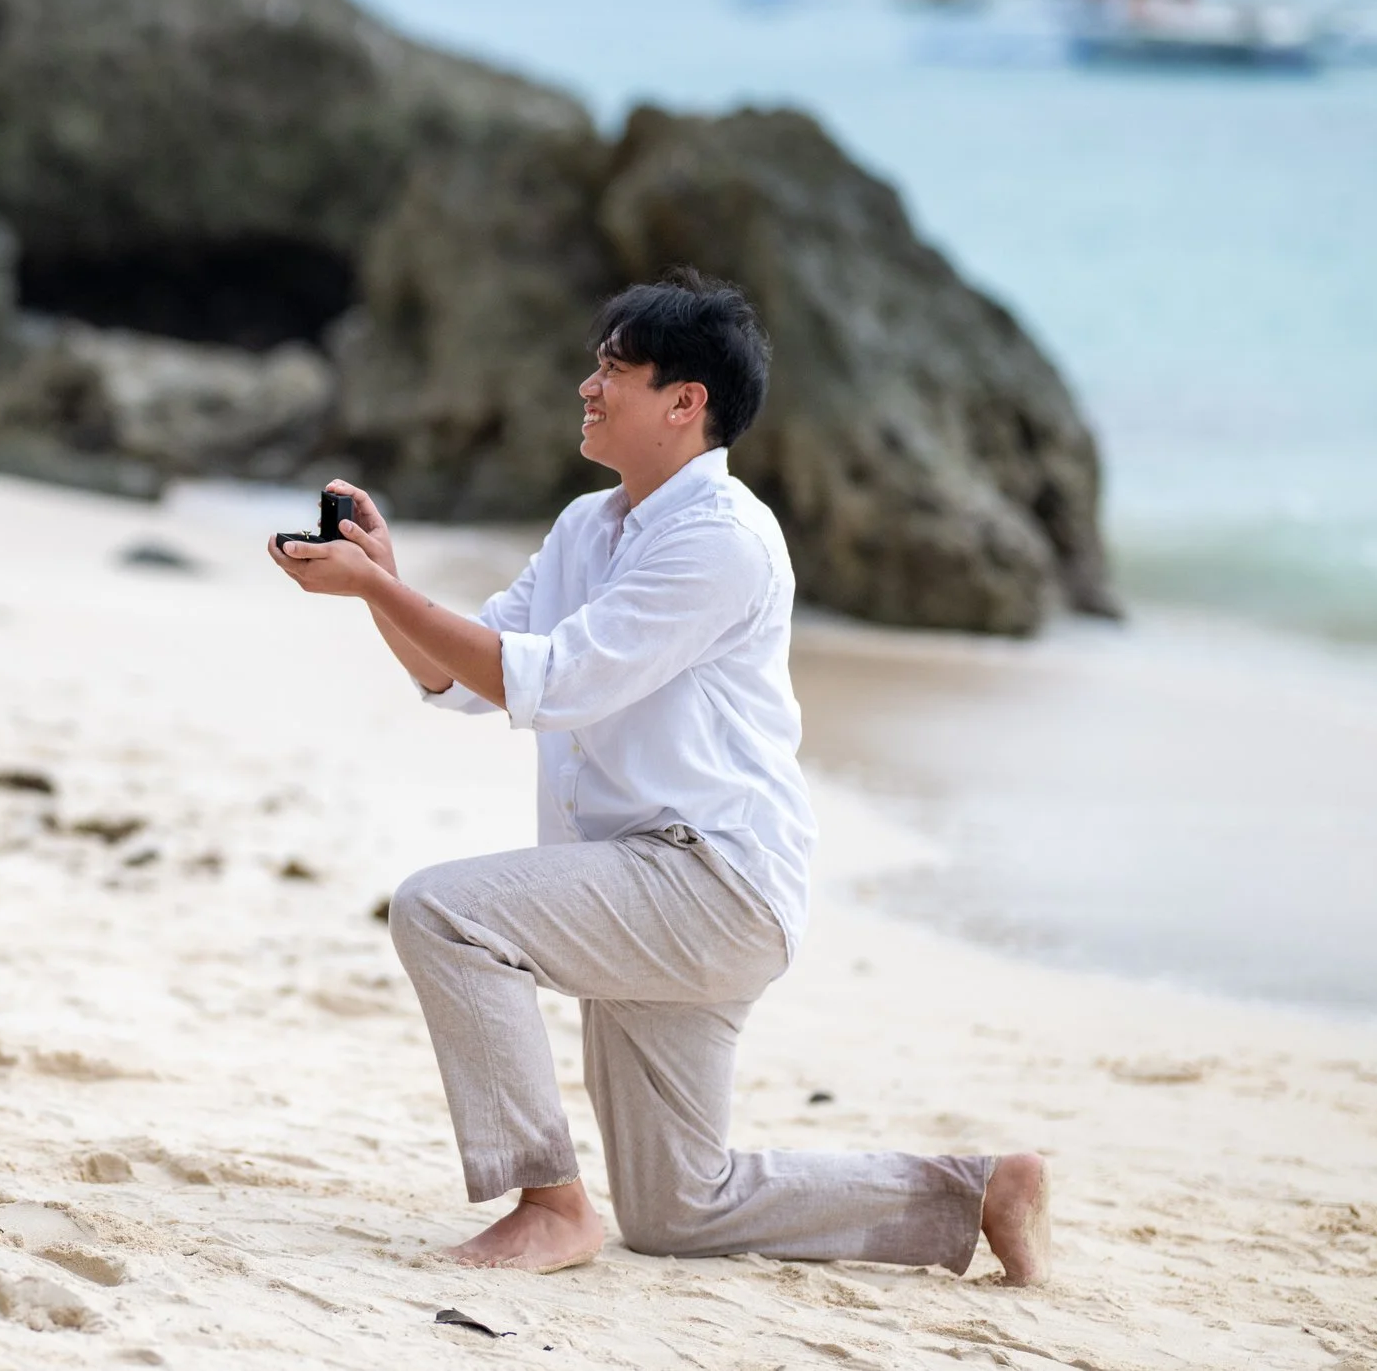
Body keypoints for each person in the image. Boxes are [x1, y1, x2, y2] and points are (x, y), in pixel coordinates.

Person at [267, 272, 1051, 1280]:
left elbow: (545, 681)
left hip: (711, 881)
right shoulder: (588, 527)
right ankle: (981, 1192)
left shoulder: (721, 541)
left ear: (684, 403)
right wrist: (383, 585)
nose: (588, 387)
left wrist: (381, 586)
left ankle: (548, 1204)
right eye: (596, 366)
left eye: (613, 370)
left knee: (444, 912)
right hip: (641, 881)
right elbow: (459, 677)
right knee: (681, 1205)